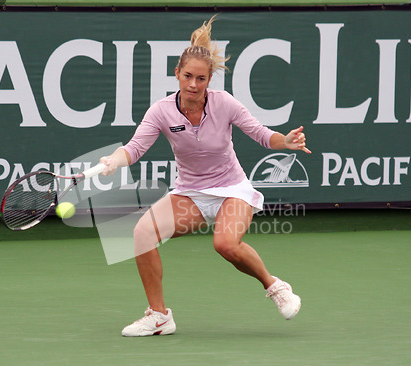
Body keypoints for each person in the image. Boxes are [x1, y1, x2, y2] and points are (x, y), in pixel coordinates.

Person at [99, 15, 311, 337]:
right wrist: (114, 161)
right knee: (142, 234)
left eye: (200, 78)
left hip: (232, 189)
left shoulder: (224, 104)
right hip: (191, 193)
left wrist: (286, 141)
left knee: (225, 244)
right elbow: (134, 148)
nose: (193, 85)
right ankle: (159, 316)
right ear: (177, 75)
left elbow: (261, 134)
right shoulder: (161, 111)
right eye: (187, 77)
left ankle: (275, 285)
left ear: (209, 79)